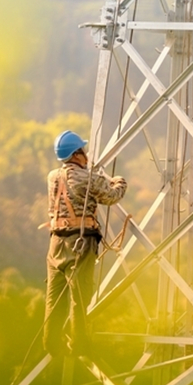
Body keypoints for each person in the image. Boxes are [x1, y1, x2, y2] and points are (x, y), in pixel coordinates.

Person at [43, 130, 128, 359]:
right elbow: (111, 196)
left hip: (56, 243)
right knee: (80, 296)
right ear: (77, 153)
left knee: (55, 297)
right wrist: (119, 180)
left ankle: (51, 342)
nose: (86, 156)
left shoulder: (53, 176)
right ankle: (80, 345)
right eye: (83, 151)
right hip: (80, 243)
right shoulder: (85, 178)